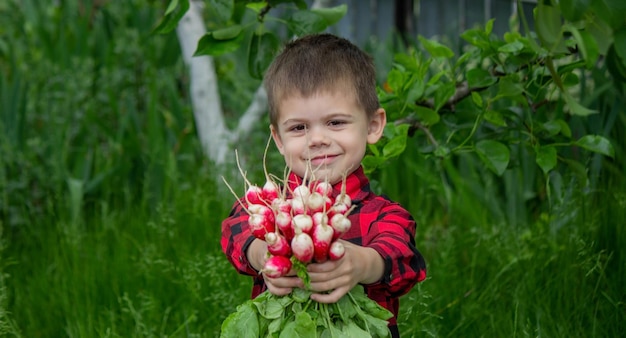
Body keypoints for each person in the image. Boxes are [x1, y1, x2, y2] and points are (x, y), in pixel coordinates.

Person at [221, 33, 427, 337]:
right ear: (277, 139)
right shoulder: (268, 207)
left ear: (373, 126)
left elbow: (404, 259)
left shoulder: (385, 215)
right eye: (299, 127)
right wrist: (264, 253)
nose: (317, 139)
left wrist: (361, 264)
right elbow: (234, 229)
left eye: (336, 123)